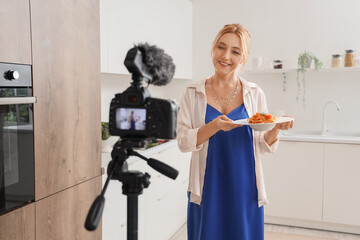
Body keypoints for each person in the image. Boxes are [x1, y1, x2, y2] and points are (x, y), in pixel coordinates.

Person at [176, 23, 294, 240]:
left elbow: (263, 144)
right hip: (207, 186)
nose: (226, 56)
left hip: (245, 185)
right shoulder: (192, 93)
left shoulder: (254, 93)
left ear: (244, 58)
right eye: (221, 47)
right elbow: (183, 142)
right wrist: (214, 126)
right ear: (213, 48)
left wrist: (275, 129)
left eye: (235, 51)